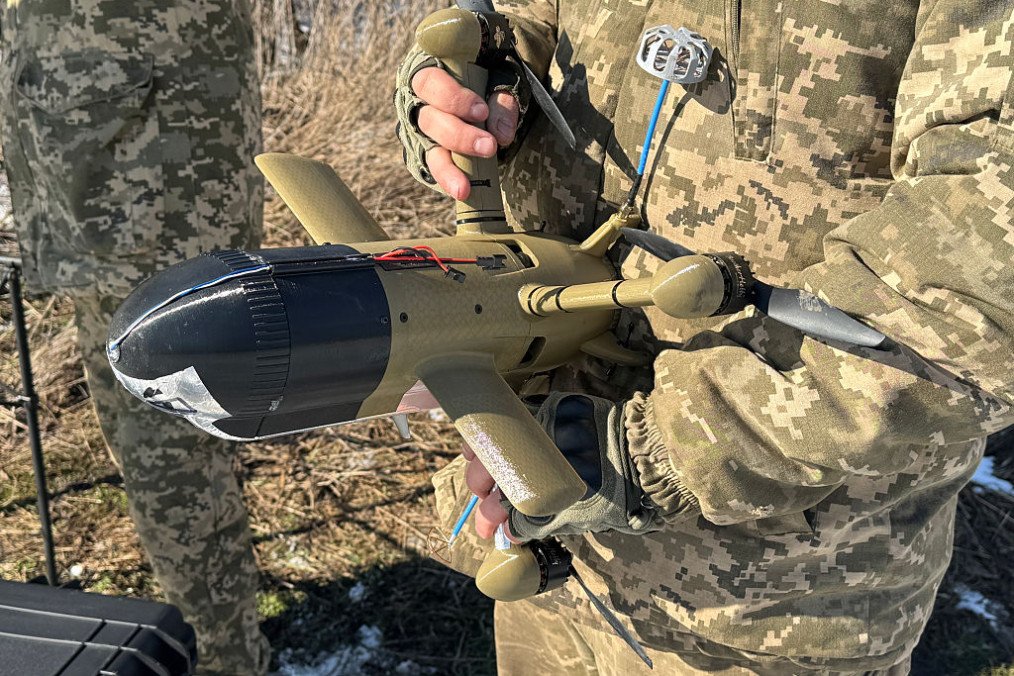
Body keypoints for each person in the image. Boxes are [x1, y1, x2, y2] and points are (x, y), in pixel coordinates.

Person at [395, 1, 1014, 673]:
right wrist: (460, 85)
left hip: (769, 617)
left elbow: (981, 281)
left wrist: (654, 450)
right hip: (547, 571)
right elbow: (517, 22)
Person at [0, 1, 269, 673]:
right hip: (91, 146)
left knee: (169, 457)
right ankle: (220, 647)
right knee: (144, 440)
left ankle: (226, 660)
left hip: (147, 170)